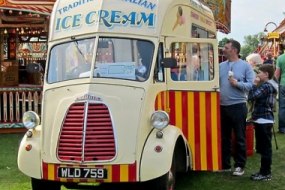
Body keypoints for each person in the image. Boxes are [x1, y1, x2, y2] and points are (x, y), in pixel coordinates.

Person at [219, 39, 255, 176]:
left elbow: (251, 85)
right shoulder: (221, 66)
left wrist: (237, 84)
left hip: (238, 106)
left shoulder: (245, 66)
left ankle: (240, 165)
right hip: (222, 106)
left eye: (226, 47)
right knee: (224, 137)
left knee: (240, 137)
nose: (224, 49)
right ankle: (225, 164)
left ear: (234, 50)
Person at [248, 64, 277, 181]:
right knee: (264, 147)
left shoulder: (266, 86)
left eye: (259, 72)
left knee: (265, 149)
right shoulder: (268, 85)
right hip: (263, 119)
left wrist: (254, 84)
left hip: (263, 120)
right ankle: (263, 171)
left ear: (266, 74)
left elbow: (252, 96)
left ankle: (265, 173)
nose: (257, 75)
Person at [274, 45, 285, 134]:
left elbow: (277, 74)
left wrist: (273, 85)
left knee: (282, 107)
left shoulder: (280, 58)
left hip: (283, 84)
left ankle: (282, 128)